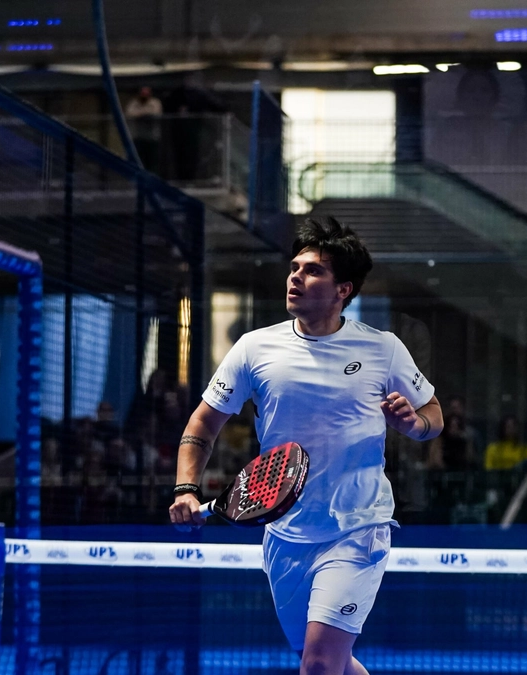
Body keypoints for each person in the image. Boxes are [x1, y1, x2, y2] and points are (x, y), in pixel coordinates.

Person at [169, 217, 442, 675]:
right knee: (325, 661)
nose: (296, 277)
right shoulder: (255, 348)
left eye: (313, 270)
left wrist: (414, 425)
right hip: (283, 533)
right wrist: (184, 488)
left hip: (356, 527)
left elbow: (432, 414)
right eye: (294, 268)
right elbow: (204, 421)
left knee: (318, 664)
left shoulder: (384, 349)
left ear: (343, 290)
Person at [125, 86, 163, 171]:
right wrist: (144, 114)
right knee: (138, 161)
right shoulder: (134, 103)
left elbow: (155, 113)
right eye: (143, 94)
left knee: (152, 161)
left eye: (146, 94)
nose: (144, 96)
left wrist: (141, 114)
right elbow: (130, 113)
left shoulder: (155, 102)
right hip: (138, 137)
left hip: (152, 138)